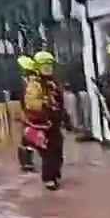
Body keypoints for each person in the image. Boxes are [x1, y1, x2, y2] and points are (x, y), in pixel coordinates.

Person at [26, 51, 70, 190]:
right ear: (38, 67)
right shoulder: (35, 84)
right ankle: (48, 179)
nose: (48, 68)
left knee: (58, 150)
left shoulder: (54, 83)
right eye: (44, 66)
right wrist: (44, 104)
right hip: (42, 125)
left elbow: (59, 101)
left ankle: (55, 173)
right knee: (48, 152)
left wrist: (65, 116)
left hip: (54, 123)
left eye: (50, 65)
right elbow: (30, 102)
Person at [16, 56, 39, 173]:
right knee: (27, 137)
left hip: (31, 112)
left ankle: (26, 161)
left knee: (29, 136)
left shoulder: (29, 82)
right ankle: (26, 162)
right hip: (27, 112)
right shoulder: (24, 83)